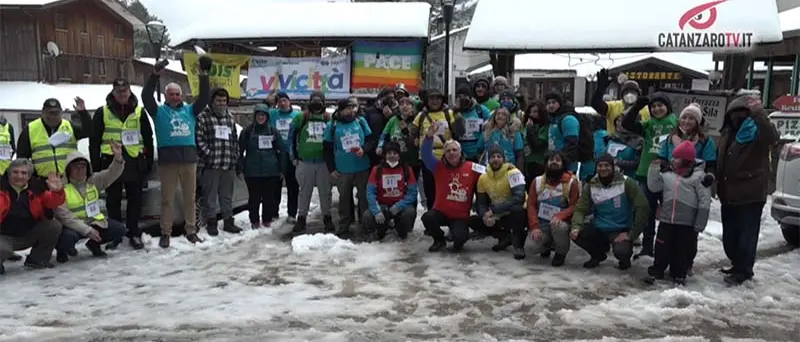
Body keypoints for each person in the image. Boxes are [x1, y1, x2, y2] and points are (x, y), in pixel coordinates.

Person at [141, 56, 211, 247]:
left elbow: (204, 98)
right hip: (168, 161)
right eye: (171, 94)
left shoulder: (190, 111)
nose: (175, 97)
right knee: (167, 200)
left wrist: (204, 75)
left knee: (190, 198)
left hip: (189, 160)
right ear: (165, 96)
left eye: (177, 94)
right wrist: (154, 75)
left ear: (182, 96)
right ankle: (166, 233)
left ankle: (191, 231)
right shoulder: (158, 112)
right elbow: (146, 97)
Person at [716, 93, 779, 285]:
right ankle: (737, 264)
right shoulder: (727, 133)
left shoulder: (759, 131)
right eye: (734, 113)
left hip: (750, 193)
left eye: (742, 113)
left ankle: (744, 270)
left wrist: (759, 114)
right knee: (730, 235)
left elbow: (772, 136)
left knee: (747, 235)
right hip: (728, 192)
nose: (738, 117)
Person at [88, 77, 153, 250]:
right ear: (113, 92)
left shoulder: (139, 111)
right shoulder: (103, 112)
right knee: (113, 200)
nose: (122, 94)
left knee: (135, 199)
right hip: (111, 161)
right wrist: (95, 166)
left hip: (133, 159)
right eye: (119, 91)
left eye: (125, 91)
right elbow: (94, 140)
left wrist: (148, 161)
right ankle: (115, 234)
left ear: (130, 91)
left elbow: (148, 137)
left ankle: (133, 232)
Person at [643, 141, 711, 285]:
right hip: (667, 218)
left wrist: (700, 223)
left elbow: (704, 201)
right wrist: (654, 168)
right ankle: (658, 268)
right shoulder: (668, 174)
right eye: (673, 157)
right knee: (661, 245)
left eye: (677, 158)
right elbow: (653, 187)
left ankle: (679, 272)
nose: (673, 160)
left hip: (686, 221)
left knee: (682, 248)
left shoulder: (699, 177)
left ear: (686, 160)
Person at [621, 93, 678, 259]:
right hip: (646, 173)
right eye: (653, 106)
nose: (657, 109)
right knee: (647, 212)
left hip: (669, 175)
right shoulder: (648, 125)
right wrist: (637, 106)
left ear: (668, 107)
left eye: (661, 105)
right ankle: (647, 247)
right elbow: (627, 124)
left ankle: (666, 248)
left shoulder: (676, 123)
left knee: (669, 215)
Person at [570, 153, 649, 269]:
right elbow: (580, 209)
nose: (603, 168)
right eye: (600, 166)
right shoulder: (591, 185)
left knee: (622, 251)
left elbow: (643, 207)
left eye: (606, 165)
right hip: (600, 227)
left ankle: (625, 259)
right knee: (578, 234)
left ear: (612, 167)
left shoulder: (627, 183)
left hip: (621, 229)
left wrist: (632, 233)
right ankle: (597, 255)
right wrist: (576, 226)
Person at [54, 144, 127, 263]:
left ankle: (94, 245)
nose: (80, 170)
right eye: (76, 167)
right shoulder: (61, 188)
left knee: (119, 229)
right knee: (67, 238)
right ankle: (62, 251)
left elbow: (111, 173)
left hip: (93, 222)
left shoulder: (93, 181)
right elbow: (64, 216)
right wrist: (87, 230)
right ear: (68, 170)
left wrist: (118, 158)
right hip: (71, 226)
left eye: (83, 167)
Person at [420, 123, 481, 252]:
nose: (451, 153)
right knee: (427, 217)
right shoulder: (437, 167)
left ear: (460, 152)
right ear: (444, 154)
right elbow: (425, 155)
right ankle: (439, 240)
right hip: (440, 213)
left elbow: (490, 173)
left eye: (454, 150)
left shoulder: (472, 167)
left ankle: (456, 234)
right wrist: (429, 137)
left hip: (460, 216)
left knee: (459, 240)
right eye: (448, 151)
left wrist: (508, 168)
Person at [0, 160, 65, 273]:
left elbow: (52, 202)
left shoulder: (36, 189)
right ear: (9, 173)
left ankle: (37, 260)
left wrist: (58, 192)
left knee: (53, 226)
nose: (19, 176)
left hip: (28, 234)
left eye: (24, 173)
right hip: (4, 237)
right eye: (15, 172)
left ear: (29, 176)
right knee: (3, 249)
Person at [323, 99, 373, 238]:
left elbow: (371, 140)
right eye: (347, 108)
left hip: (362, 166)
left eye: (352, 108)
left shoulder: (361, 122)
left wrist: (364, 149)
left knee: (364, 197)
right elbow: (326, 148)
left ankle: (366, 223)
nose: (350, 111)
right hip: (343, 168)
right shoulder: (332, 125)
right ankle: (344, 224)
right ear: (341, 110)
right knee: (344, 199)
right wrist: (331, 168)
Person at [197, 87, 243, 235]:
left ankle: (228, 222)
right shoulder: (203, 117)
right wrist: (209, 154)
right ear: (212, 101)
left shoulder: (229, 117)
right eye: (218, 100)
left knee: (227, 197)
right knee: (210, 197)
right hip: (211, 165)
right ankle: (211, 223)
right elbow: (199, 139)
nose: (221, 103)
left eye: (224, 100)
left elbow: (234, 140)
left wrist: (235, 156)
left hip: (228, 164)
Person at [469, 147, 527, 258]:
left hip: (516, 212)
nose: (496, 159)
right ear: (488, 160)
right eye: (492, 157)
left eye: (499, 157)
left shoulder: (513, 172)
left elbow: (519, 198)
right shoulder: (483, 178)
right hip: (498, 214)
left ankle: (519, 245)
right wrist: (485, 216)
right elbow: (481, 203)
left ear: (504, 159)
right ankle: (505, 237)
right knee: (473, 221)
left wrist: (494, 210)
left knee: (518, 210)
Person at [290, 91, 334, 234]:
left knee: (325, 192)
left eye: (319, 100)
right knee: (304, 192)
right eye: (314, 100)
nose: (316, 103)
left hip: (323, 162)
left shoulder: (328, 118)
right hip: (305, 162)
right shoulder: (301, 117)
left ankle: (327, 218)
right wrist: (293, 157)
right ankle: (301, 218)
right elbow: (291, 137)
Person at [410, 90, 461, 210]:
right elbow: (413, 131)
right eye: (432, 99)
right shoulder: (421, 115)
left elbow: (458, 131)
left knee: (447, 187)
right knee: (429, 188)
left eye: (438, 98)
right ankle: (432, 214)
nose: (435, 101)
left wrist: (458, 114)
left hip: (447, 157)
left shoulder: (449, 113)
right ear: (427, 101)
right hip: (427, 157)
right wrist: (415, 139)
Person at [16, 97, 92, 178]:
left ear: (61, 113)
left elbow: (89, 131)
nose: (53, 117)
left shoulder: (70, 126)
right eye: (49, 113)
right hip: (42, 181)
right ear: (42, 113)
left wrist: (83, 113)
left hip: (69, 180)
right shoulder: (30, 129)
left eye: (56, 113)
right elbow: (22, 159)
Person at [527, 152, 580, 266]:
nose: (554, 162)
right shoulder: (537, 181)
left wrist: (560, 216)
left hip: (560, 224)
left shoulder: (571, 182)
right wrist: (535, 227)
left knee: (559, 227)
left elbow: (575, 206)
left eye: (557, 160)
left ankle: (561, 252)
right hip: (542, 224)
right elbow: (531, 204)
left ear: (563, 164)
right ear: (546, 163)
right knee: (530, 248)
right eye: (551, 160)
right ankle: (546, 246)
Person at [239, 104, 286, 229]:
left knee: (268, 197)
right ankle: (254, 220)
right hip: (252, 171)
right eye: (259, 115)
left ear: (267, 116)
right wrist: (241, 167)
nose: (261, 117)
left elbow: (281, 150)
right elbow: (240, 150)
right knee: (254, 198)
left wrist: (282, 169)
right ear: (255, 116)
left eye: (263, 115)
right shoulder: (247, 131)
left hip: (271, 170)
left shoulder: (273, 131)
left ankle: (267, 219)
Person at [363, 142, 418, 241]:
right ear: (385, 155)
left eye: (395, 153)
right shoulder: (377, 170)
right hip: (382, 206)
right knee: (368, 215)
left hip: (400, 206)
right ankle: (378, 231)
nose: (392, 156)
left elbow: (413, 192)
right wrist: (376, 211)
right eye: (389, 153)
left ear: (399, 155)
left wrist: (399, 205)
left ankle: (403, 231)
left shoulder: (407, 169)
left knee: (410, 212)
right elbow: (370, 192)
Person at [268, 92, 300, 224]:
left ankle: (292, 213)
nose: (282, 103)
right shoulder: (273, 114)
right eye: (280, 101)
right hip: (276, 153)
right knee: (275, 184)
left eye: (284, 100)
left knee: (293, 184)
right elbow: (261, 111)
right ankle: (273, 212)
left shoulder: (297, 115)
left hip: (291, 153)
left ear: (289, 101)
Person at [591, 69, 651, 134]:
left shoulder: (646, 110)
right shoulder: (613, 106)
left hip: (639, 143)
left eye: (633, 91)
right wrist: (600, 88)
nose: (629, 94)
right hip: (615, 142)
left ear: (638, 95)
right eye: (626, 91)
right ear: (622, 95)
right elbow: (596, 104)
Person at [377, 97, 421, 180]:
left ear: (412, 107)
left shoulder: (417, 120)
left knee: (412, 184)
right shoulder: (393, 120)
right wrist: (379, 146)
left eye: (408, 104)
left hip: (413, 159)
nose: (405, 106)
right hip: (395, 159)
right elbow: (384, 135)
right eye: (402, 104)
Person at [452, 85, 490, 162]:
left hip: (479, 153)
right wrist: (457, 113)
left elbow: (489, 129)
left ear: (470, 97)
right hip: (461, 154)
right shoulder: (452, 112)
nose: (462, 98)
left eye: (465, 96)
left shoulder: (481, 110)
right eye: (459, 96)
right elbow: (454, 133)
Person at [522, 101, 549, 185]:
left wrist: (530, 130)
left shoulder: (544, 127)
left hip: (538, 163)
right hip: (526, 163)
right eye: (530, 112)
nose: (532, 114)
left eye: (535, 112)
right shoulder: (525, 125)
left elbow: (537, 145)